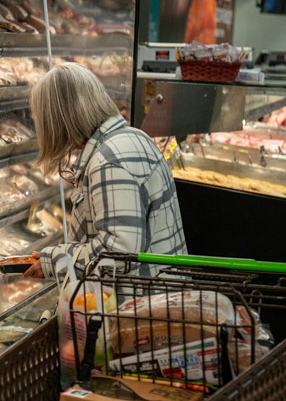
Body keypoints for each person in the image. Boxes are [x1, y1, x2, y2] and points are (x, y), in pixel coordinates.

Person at [24, 62, 187, 279]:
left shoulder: (109, 161)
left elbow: (119, 253)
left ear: (58, 120)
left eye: (41, 119)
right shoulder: (132, 137)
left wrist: (55, 260)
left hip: (137, 303)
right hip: (161, 292)